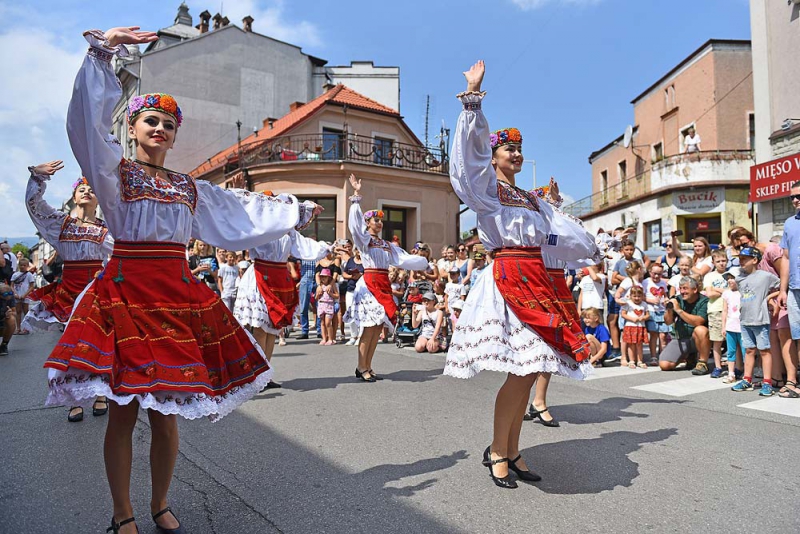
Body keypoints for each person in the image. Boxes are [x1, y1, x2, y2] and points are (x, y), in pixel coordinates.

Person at [48, 26, 322, 534]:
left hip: (175, 296)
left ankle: (159, 503)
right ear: (133, 129)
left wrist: (292, 212)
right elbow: (85, 128)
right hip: (127, 292)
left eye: (168, 125)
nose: (160, 130)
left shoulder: (188, 188)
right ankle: (122, 511)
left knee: (168, 412)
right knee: (127, 410)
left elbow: (237, 213)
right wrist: (102, 54)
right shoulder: (113, 174)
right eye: (151, 121)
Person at [444, 61, 615, 489]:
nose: (517, 155)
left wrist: (598, 245)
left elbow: (562, 235)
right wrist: (473, 100)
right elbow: (469, 160)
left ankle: (512, 449)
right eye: (509, 150)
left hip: (537, 279)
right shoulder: (488, 192)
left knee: (531, 368)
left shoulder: (531, 199)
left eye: (520, 150)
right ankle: (498, 451)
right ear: (495, 156)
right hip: (509, 280)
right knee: (519, 371)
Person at [23, 162, 115, 422]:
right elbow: (35, 207)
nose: (87, 192)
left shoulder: (107, 231)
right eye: (82, 188)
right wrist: (38, 175)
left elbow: (121, 256)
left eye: (92, 190)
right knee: (70, 345)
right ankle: (72, 400)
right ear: (74, 196)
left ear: (98, 199)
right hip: (69, 291)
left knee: (98, 344)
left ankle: (99, 392)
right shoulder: (60, 225)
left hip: (97, 291)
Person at [344, 174, 428, 382]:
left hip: (382, 283)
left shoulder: (387, 245)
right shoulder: (364, 240)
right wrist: (356, 197)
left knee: (377, 327)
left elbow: (402, 258)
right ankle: (361, 366)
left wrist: (422, 261)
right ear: (368, 222)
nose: (380, 223)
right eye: (376, 220)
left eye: (381, 220)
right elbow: (354, 226)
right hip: (369, 284)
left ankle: (368, 366)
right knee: (369, 327)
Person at [233, 226, 330, 385]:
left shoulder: (288, 230)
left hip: (278, 278)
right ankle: (257, 375)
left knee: (272, 329)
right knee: (260, 329)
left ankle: (266, 374)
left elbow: (304, 246)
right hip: (260, 276)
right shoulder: (261, 227)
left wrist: (327, 247)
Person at [731, 247, 780, 396]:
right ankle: (747, 379)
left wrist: (770, 298)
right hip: (745, 319)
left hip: (760, 319)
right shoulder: (739, 278)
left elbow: (782, 286)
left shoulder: (765, 276)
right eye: (740, 259)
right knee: (750, 350)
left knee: (764, 351)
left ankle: (767, 382)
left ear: (755, 260)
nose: (741, 262)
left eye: (745, 259)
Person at [778, 182, 800, 397]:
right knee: (798, 337)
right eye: (792, 197)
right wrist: (783, 289)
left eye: (799, 196)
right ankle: (794, 383)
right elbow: (785, 258)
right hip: (794, 289)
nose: (795, 200)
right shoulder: (789, 223)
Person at [660, 277, 710, 371]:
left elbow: (698, 321)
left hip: (699, 339)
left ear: (694, 289)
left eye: (685, 288)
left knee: (700, 330)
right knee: (665, 365)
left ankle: (703, 362)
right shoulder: (677, 299)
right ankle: (689, 356)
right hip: (682, 338)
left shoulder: (704, 301)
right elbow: (668, 322)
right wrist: (669, 309)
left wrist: (679, 310)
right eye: (681, 288)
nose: (682, 291)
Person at [697, 250, 729, 377]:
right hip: (716, 310)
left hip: (731, 310)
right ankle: (717, 366)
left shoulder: (732, 274)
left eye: (724, 261)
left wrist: (717, 289)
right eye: (718, 261)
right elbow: (709, 294)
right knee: (717, 340)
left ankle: (736, 366)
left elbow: (735, 291)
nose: (721, 264)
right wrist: (726, 290)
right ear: (713, 263)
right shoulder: (709, 276)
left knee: (733, 340)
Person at [643, 262, 669, 364]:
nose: (657, 276)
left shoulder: (662, 283)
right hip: (651, 310)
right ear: (650, 272)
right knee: (653, 335)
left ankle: (662, 355)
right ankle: (653, 356)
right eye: (654, 273)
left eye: (659, 274)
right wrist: (651, 301)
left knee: (663, 335)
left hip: (662, 311)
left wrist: (666, 300)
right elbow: (642, 296)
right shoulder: (646, 282)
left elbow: (665, 295)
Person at [721, 270, 744, 384]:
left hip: (742, 327)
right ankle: (731, 374)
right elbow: (724, 310)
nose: (730, 280)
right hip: (730, 326)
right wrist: (723, 326)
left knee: (745, 351)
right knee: (731, 351)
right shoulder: (726, 293)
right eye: (728, 278)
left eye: (732, 277)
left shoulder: (743, 292)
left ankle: (747, 375)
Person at [620, 286, 649, 369]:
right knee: (631, 344)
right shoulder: (628, 303)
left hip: (640, 326)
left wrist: (643, 318)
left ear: (642, 296)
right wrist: (632, 318)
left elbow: (647, 315)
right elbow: (623, 314)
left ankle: (640, 360)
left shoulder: (644, 304)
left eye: (639, 296)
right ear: (631, 295)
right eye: (634, 296)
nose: (637, 298)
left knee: (639, 344)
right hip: (630, 326)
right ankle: (632, 360)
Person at [342, 248, 364, 346]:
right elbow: (344, 273)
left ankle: (360, 336)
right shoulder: (351, 260)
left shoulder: (366, 261)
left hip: (362, 290)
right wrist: (351, 276)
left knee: (361, 313)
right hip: (350, 289)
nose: (358, 252)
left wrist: (360, 275)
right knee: (350, 312)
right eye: (357, 250)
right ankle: (353, 336)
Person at [11, 258, 35, 335]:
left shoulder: (29, 275)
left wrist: (25, 295)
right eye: (21, 265)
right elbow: (11, 286)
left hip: (25, 296)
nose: (22, 267)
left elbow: (31, 286)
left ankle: (26, 328)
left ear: (27, 266)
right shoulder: (15, 275)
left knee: (26, 312)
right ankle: (18, 328)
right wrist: (15, 294)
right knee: (18, 312)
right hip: (17, 296)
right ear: (19, 265)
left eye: (24, 265)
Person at [316, 268, 339, 345]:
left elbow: (337, 295)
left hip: (329, 304)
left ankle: (330, 338)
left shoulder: (332, 286)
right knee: (322, 323)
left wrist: (331, 294)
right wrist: (318, 295)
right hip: (321, 305)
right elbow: (316, 297)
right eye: (322, 277)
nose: (323, 278)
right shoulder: (320, 286)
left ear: (329, 277)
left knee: (328, 322)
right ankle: (324, 338)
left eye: (325, 277)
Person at [0, 283, 16, 355]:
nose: (8, 297)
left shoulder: (10, 297)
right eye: (5, 295)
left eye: (10, 294)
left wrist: (10, 313)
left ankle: (4, 344)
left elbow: (14, 312)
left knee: (12, 319)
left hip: (3, 319)